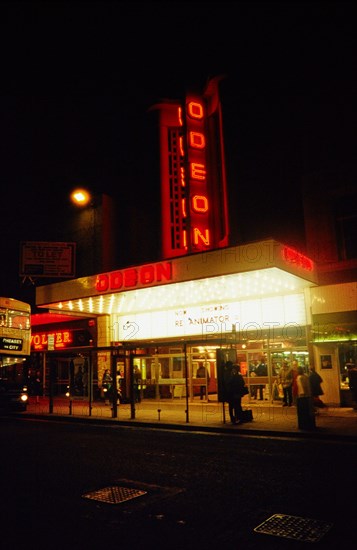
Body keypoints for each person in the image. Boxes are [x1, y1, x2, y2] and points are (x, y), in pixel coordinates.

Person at [296, 366, 315, 430]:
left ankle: (305, 425)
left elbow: (303, 387)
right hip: (305, 396)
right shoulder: (305, 377)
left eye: (298, 370)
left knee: (304, 411)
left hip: (303, 397)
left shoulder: (301, 377)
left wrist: (302, 394)